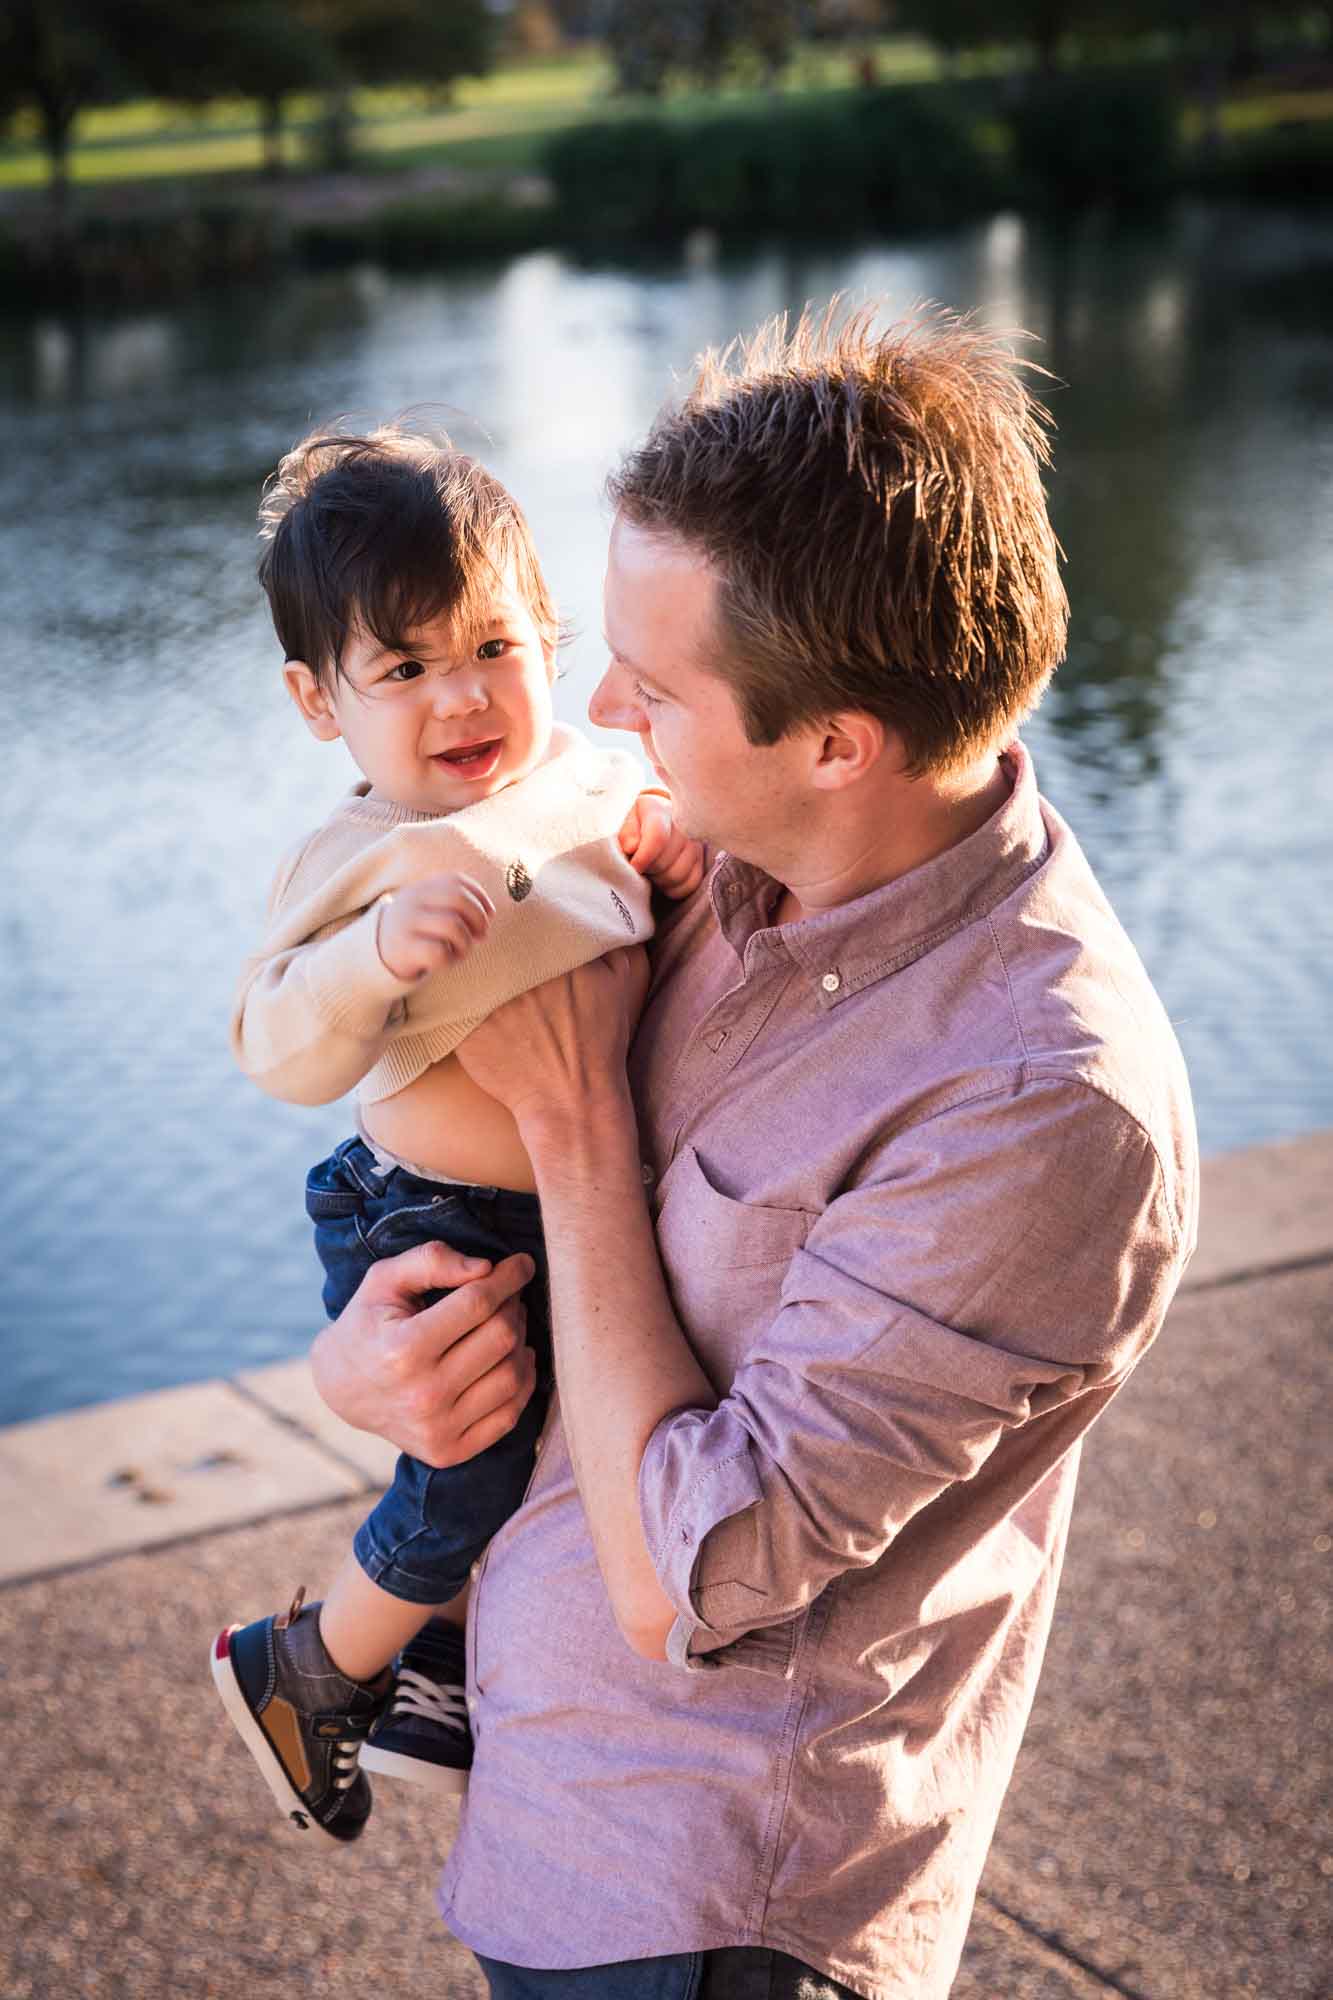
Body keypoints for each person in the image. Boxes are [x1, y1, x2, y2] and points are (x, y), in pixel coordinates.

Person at [308, 306, 1199, 1999]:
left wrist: (575, 1132)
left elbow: (694, 1584)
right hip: (548, 1815)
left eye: (655, 678)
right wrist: (374, 1360)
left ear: (837, 741)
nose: (593, 701)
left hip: (714, 1912)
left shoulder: (1035, 1104)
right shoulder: (703, 862)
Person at [211, 422, 704, 1842]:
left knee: (580, 1430)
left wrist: (665, 841)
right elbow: (274, 1042)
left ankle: (433, 1658)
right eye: (406, 669)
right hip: (423, 1214)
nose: (463, 696)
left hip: (562, 1200)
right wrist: (371, 958)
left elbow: (647, 852)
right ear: (321, 705)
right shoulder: (358, 856)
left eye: (493, 646)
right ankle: (305, 1668)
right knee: (474, 1448)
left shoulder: (593, 779)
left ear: (546, 634)